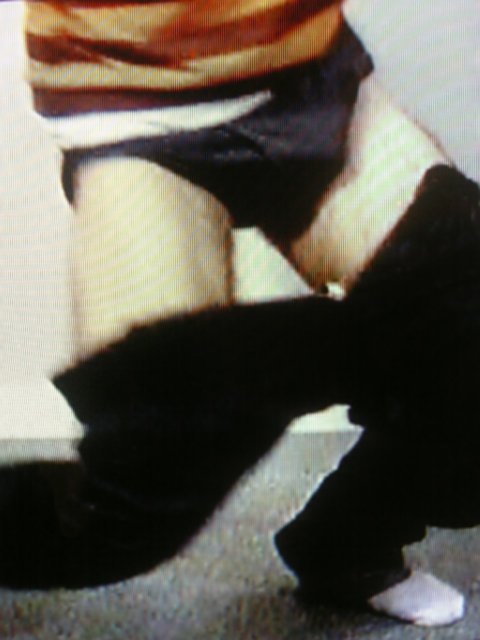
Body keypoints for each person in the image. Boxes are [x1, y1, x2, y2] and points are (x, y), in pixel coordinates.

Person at [5, 0, 479, 627]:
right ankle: (328, 357)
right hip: (130, 110)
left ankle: (345, 545)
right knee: (137, 492)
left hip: (304, 79)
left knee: (468, 343)